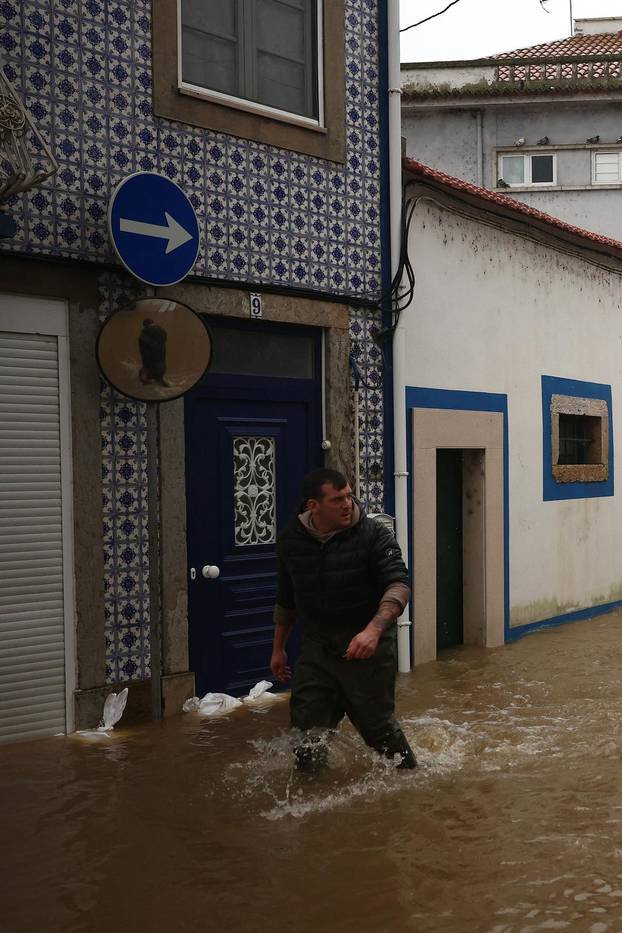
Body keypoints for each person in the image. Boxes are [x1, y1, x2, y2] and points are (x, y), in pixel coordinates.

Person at [270, 468, 417, 772]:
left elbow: (399, 586)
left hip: (367, 647)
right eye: (338, 499)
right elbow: (287, 599)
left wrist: (373, 631)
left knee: (378, 729)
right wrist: (278, 648)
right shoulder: (291, 541)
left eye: (349, 496)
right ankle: (312, 799)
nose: (348, 504)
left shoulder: (374, 534)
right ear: (314, 506)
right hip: (318, 647)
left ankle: (411, 780)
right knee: (306, 733)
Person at [138, 318, 169, 387]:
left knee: (141, 378)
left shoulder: (142, 337)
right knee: (160, 381)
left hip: (151, 367)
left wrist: (145, 368)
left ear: (144, 326)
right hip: (162, 366)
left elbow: (144, 354)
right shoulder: (163, 332)